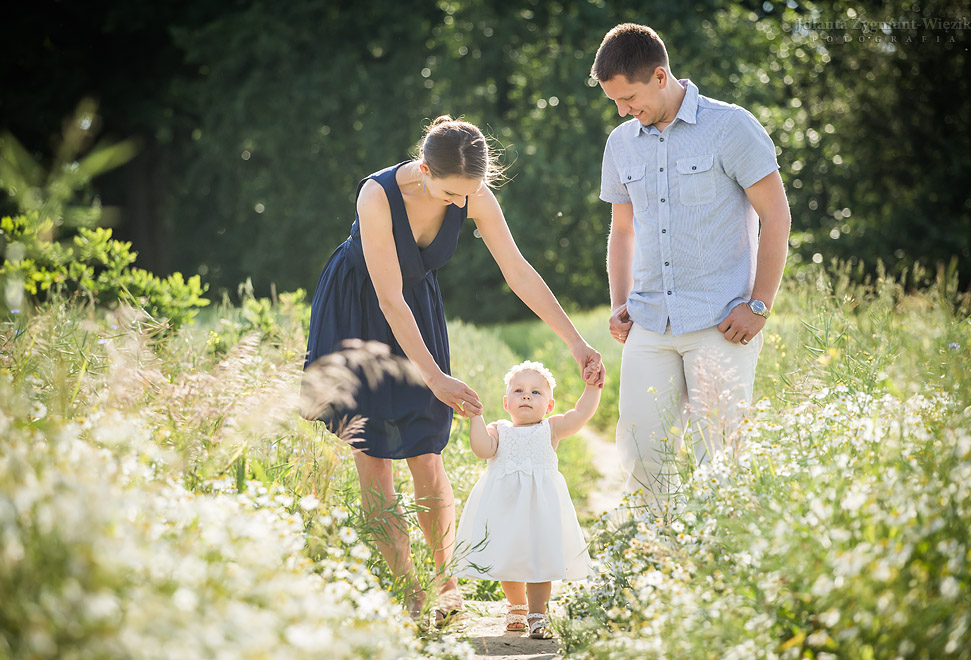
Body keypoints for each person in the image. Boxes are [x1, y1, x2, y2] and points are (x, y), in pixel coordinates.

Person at [303, 116, 605, 624]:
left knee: (426, 451)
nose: (459, 203)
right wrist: (435, 377)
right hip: (359, 312)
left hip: (418, 312)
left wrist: (575, 341)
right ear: (424, 170)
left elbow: (517, 270)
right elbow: (388, 298)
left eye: (467, 194)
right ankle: (409, 592)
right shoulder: (377, 196)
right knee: (373, 456)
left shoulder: (472, 194)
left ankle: (447, 587)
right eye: (450, 194)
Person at [591, 24, 791, 499]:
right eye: (615, 101)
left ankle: (716, 545)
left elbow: (777, 217)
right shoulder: (621, 143)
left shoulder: (731, 127)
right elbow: (623, 231)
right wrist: (619, 303)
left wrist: (759, 305)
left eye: (629, 97)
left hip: (720, 322)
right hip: (648, 323)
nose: (622, 110)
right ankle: (651, 543)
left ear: (660, 76)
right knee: (641, 453)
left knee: (719, 457)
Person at [453, 361, 598, 639]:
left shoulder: (551, 429)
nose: (527, 396)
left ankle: (538, 613)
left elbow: (580, 414)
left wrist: (592, 387)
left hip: (540, 511)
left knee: (539, 559)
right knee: (508, 556)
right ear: (506, 402)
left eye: (536, 392)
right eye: (518, 391)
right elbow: (483, 450)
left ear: (550, 405)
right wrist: (476, 418)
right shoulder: (498, 429)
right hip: (505, 510)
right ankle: (517, 606)